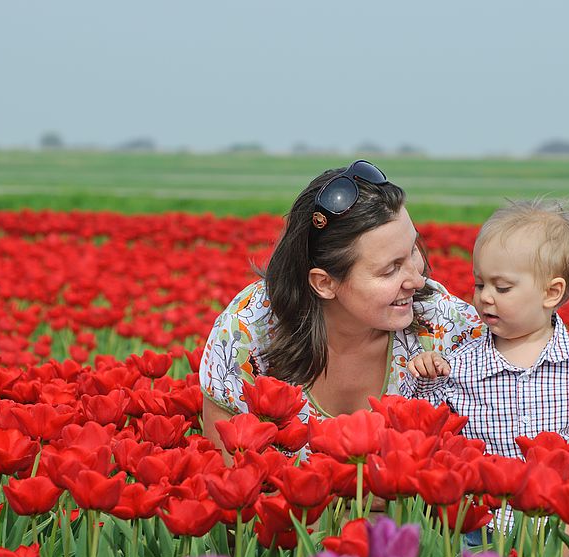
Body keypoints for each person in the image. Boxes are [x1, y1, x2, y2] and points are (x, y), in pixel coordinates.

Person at [199, 160, 483, 458]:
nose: (417, 279)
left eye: (412, 249)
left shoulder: (445, 323)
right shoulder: (247, 331)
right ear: (324, 283)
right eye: (390, 270)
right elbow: (229, 474)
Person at [408, 199, 569, 543]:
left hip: (563, 521)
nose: (486, 297)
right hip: (485, 523)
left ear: (552, 292)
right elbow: (432, 429)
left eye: (502, 288)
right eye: (479, 284)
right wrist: (429, 382)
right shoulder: (461, 364)